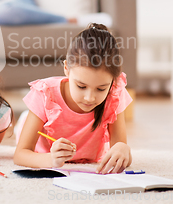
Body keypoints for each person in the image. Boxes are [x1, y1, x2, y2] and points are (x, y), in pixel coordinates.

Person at [13, 23, 132, 174]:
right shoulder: (45, 93)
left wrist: (123, 149)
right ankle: (26, 119)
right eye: (81, 86)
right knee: (28, 122)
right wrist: (51, 159)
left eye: (101, 89)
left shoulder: (114, 93)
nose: (90, 98)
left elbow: (121, 153)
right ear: (66, 69)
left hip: (89, 157)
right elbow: (20, 155)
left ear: (112, 82)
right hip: (43, 149)